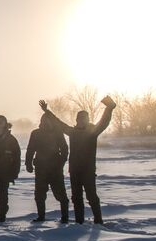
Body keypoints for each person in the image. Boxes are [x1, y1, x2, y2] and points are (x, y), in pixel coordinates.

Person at [39, 96, 116, 224]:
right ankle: (79, 222)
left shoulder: (92, 132)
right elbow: (59, 123)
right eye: (79, 118)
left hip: (88, 171)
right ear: (77, 120)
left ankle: (98, 220)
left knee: (91, 196)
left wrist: (109, 107)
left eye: (84, 118)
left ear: (87, 120)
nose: (81, 121)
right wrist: (47, 111)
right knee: (76, 198)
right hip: (74, 171)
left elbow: (104, 121)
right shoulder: (72, 132)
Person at [25, 112, 69, 223]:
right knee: (39, 194)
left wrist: (61, 162)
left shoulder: (58, 133)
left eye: (49, 120)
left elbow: (64, 149)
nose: (46, 122)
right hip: (40, 169)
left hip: (55, 169)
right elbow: (30, 150)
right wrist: (28, 164)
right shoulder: (36, 133)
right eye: (44, 120)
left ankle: (65, 218)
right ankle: (41, 217)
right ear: (41, 121)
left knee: (61, 195)